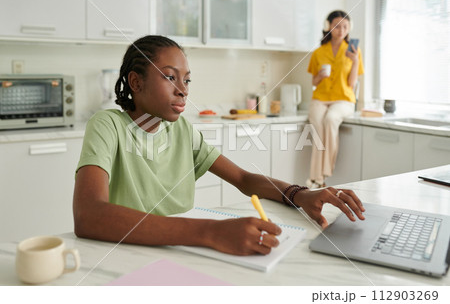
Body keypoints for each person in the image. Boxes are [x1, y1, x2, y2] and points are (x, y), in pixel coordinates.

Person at [73, 35, 365, 256]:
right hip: (125, 254)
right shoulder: (107, 125)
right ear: (136, 83)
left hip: (177, 251)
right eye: (169, 77)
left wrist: (299, 194)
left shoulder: (183, 131)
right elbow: (89, 216)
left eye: (186, 79)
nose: (183, 89)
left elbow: (242, 178)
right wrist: (211, 232)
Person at [306, 10, 364, 189]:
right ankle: (318, 179)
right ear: (328, 26)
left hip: (344, 99)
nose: (341, 30)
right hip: (321, 98)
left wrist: (354, 61)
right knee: (317, 125)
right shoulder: (318, 52)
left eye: (345, 26)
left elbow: (352, 83)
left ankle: (320, 176)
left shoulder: (354, 51)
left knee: (331, 119)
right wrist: (321, 76)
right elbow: (314, 81)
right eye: (337, 26)